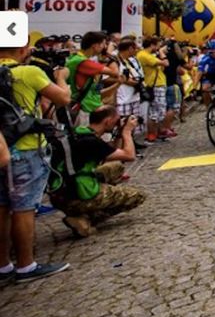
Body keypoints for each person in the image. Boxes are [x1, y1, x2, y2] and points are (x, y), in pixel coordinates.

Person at [0, 37, 72, 282]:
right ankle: (25, 265)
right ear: (21, 49)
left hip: (2, 147)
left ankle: (3, 265)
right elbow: (62, 99)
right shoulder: (28, 72)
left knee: (1, 207)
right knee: (24, 208)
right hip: (27, 147)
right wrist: (61, 77)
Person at [50, 105, 146, 238]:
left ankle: (84, 211)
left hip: (60, 190)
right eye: (116, 120)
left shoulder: (79, 132)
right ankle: (85, 219)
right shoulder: (92, 142)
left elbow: (112, 154)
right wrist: (127, 132)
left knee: (117, 167)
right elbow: (129, 155)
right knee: (137, 196)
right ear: (107, 121)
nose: (118, 122)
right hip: (76, 194)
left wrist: (118, 134)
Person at [66, 31, 118, 123]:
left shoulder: (80, 59)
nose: (104, 47)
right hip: (85, 108)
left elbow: (97, 88)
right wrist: (108, 53)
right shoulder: (82, 62)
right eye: (103, 44)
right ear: (95, 45)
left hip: (92, 105)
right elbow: (114, 72)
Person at [137, 37, 171, 143]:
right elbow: (166, 63)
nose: (158, 48)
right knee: (156, 112)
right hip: (155, 85)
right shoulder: (144, 55)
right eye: (157, 45)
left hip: (158, 84)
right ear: (152, 45)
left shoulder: (148, 55)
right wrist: (161, 52)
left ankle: (156, 133)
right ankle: (152, 135)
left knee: (158, 111)